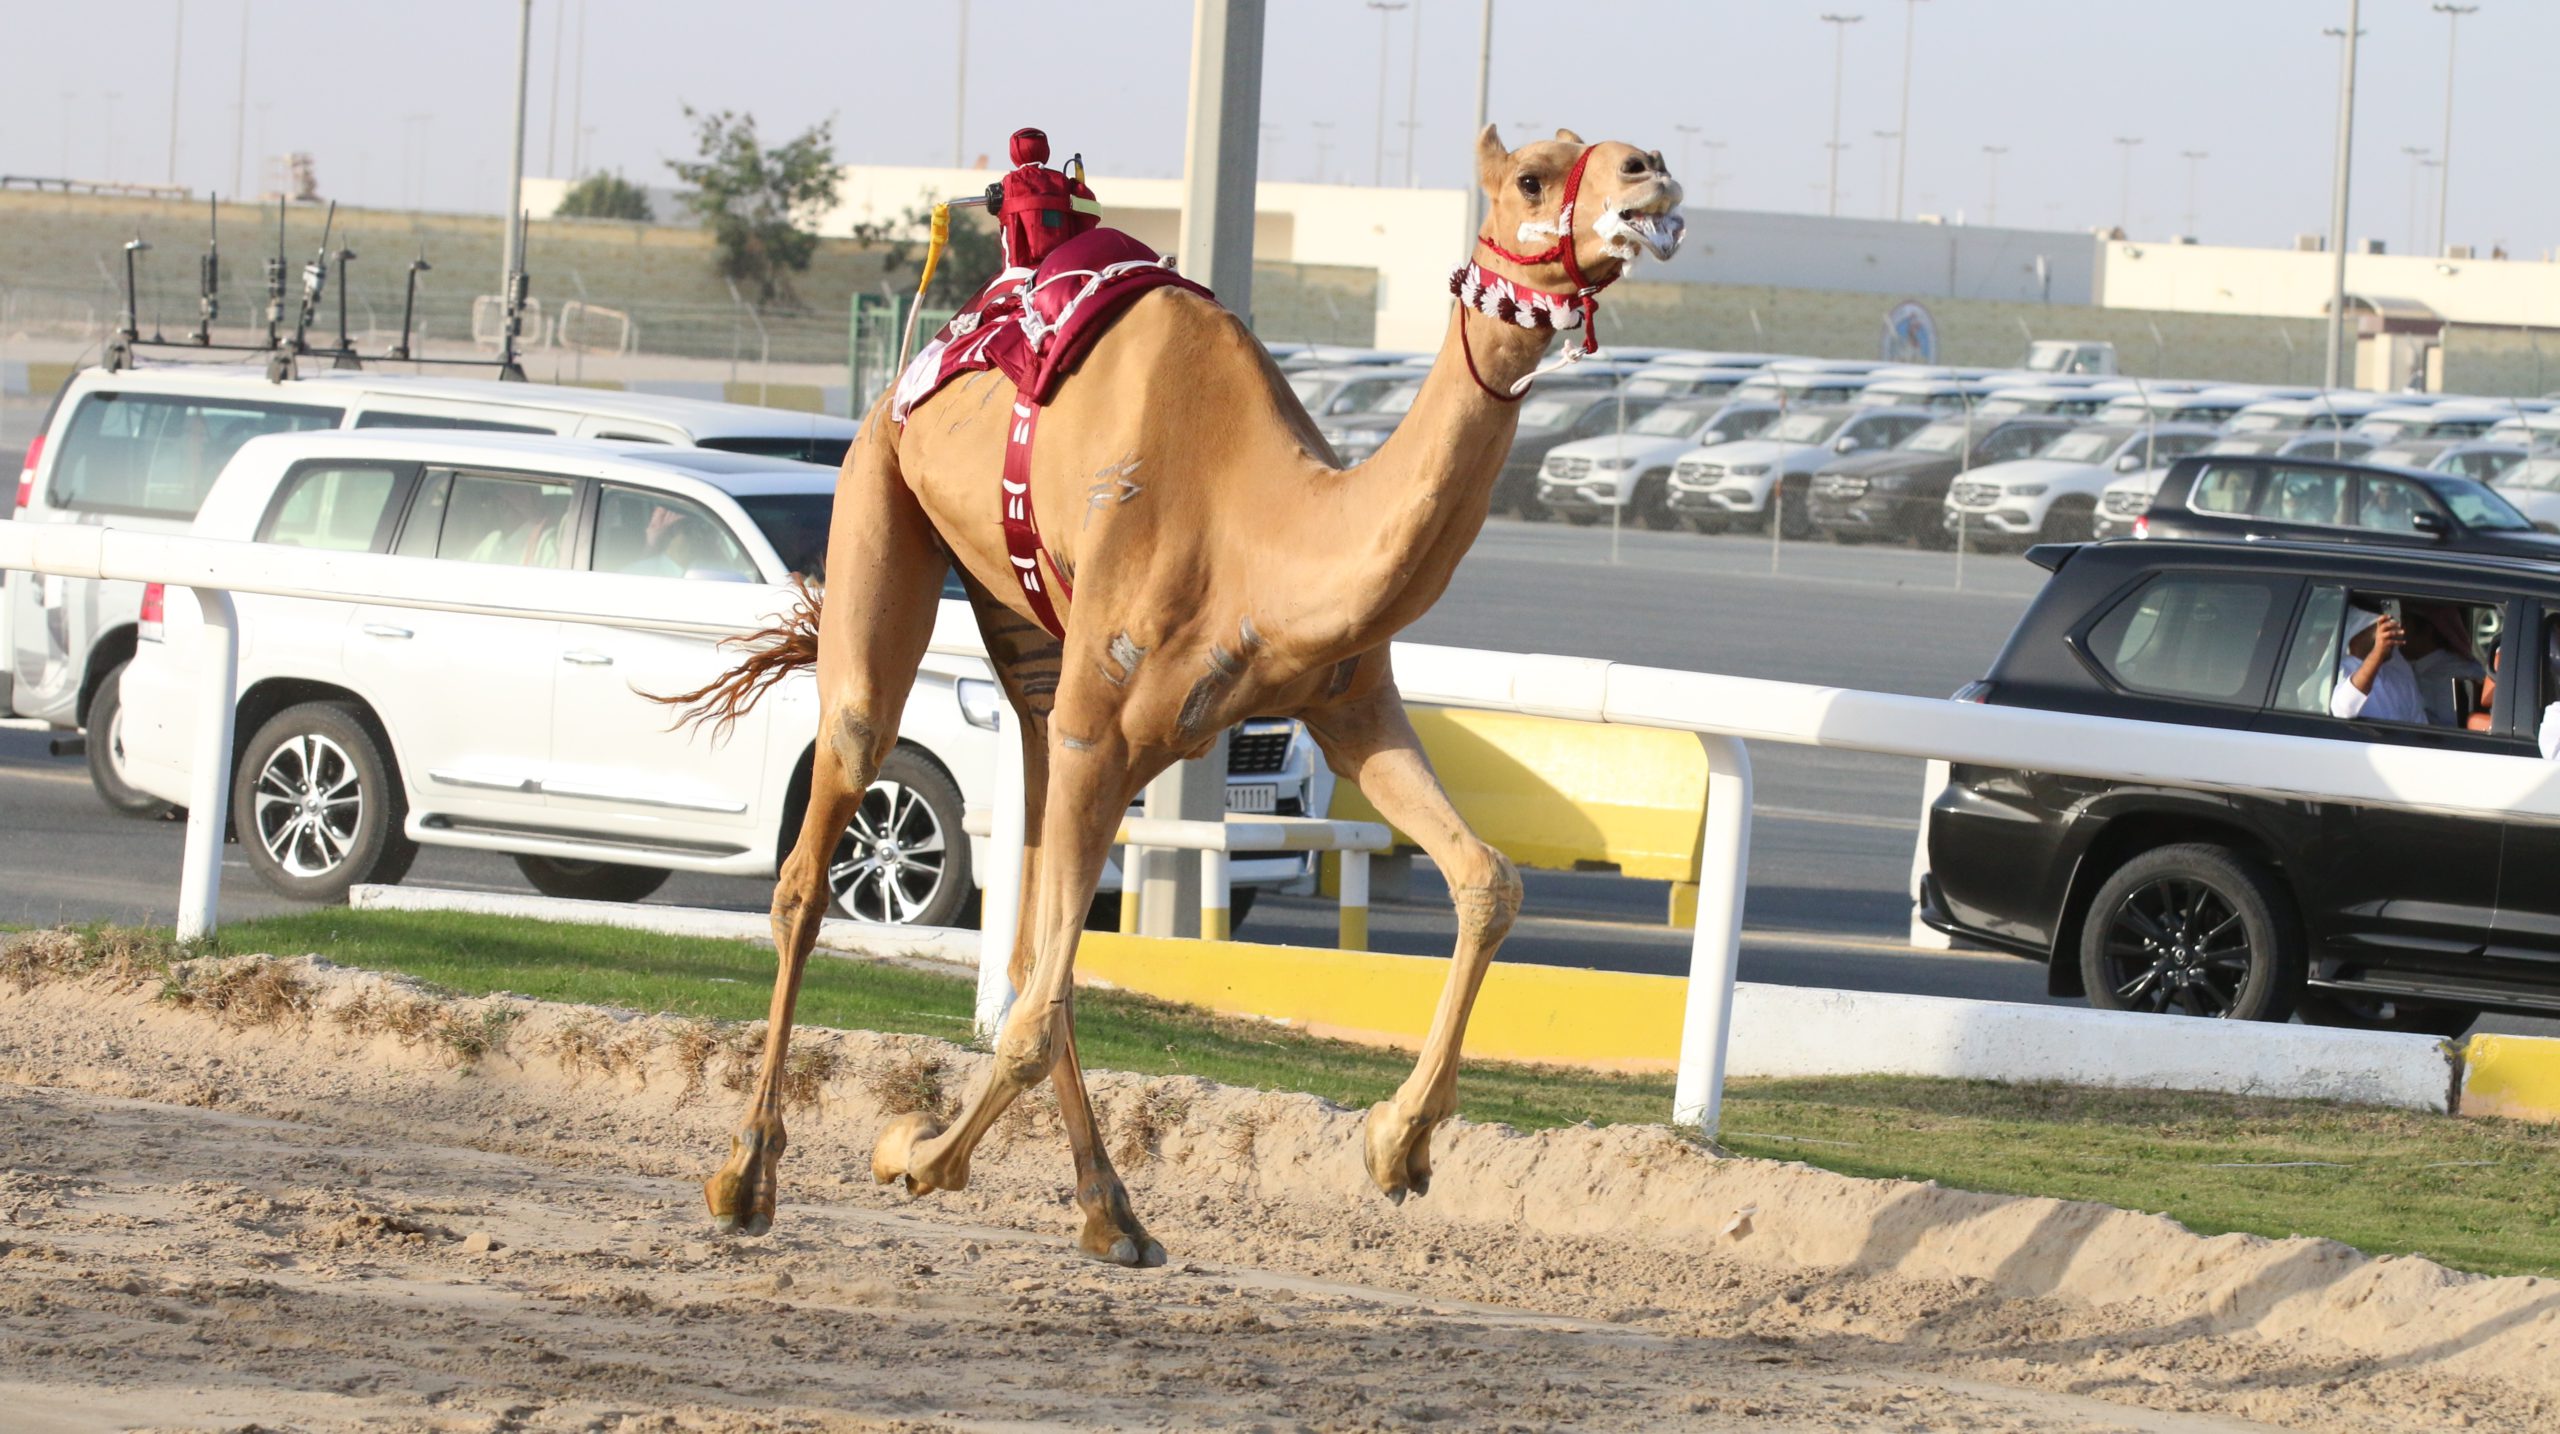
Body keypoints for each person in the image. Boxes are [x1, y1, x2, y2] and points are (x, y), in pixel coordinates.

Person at [2330, 606, 2425, 723]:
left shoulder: (2401, 681)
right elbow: (2343, 710)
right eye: (2383, 630)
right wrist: (2377, 652)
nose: (2390, 636)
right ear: (2358, 633)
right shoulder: (2336, 672)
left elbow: (2420, 730)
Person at [2401, 604, 2487, 728]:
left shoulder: (2457, 675)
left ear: (2426, 630)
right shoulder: (2408, 668)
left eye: (2405, 624)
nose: (2399, 631)